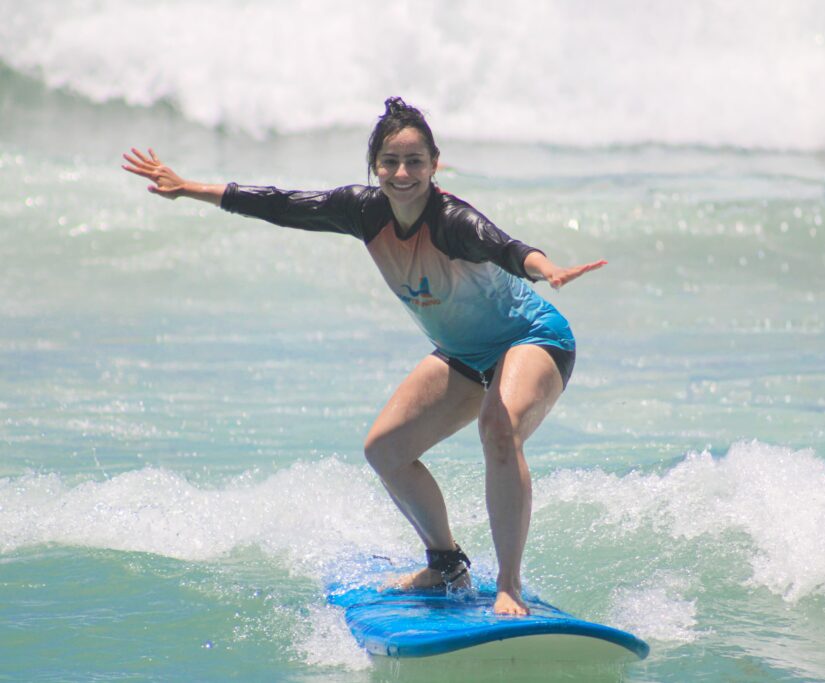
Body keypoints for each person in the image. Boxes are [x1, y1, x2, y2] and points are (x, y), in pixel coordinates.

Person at [122, 97, 605, 616]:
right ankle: (446, 564)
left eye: (415, 162)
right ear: (375, 167)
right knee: (385, 450)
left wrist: (545, 268)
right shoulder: (363, 210)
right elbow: (282, 204)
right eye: (390, 163)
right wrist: (189, 187)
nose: (402, 173)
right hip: (464, 353)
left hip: (532, 338)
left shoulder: (452, 221)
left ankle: (509, 584)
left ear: (434, 166)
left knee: (498, 428)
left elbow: (507, 247)